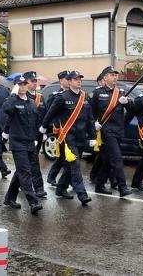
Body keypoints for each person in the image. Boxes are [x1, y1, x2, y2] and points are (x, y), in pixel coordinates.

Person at [41, 70, 95, 206]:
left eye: (80, 79)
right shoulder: (62, 97)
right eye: (76, 79)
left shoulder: (85, 97)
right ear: (69, 81)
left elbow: (90, 118)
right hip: (68, 138)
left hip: (81, 137)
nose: (79, 81)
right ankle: (82, 194)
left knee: (70, 166)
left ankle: (60, 188)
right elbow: (50, 113)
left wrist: (93, 135)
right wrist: (44, 127)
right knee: (76, 165)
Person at [2, 76, 43, 214]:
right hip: (17, 142)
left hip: (30, 142)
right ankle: (33, 202)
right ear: (15, 86)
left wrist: (36, 137)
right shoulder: (12, 101)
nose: (23, 86)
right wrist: (13, 94)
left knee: (23, 171)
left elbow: (36, 121)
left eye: (25, 83)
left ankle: (9, 198)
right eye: (20, 84)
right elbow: (6, 110)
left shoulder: (31, 102)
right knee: (25, 172)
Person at [90, 66, 131, 197]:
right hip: (106, 132)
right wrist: (93, 124)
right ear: (105, 77)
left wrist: (127, 102)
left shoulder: (121, 93)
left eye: (116, 75)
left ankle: (99, 185)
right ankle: (122, 187)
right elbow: (89, 112)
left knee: (107, 159)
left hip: (118, 130)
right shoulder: (97, 93)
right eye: (112, 75)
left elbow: (132, 109)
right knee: (117, 158)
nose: (115, 77)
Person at [22, 71, 47, 198]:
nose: (35, 83)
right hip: (25, 136)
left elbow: (45, 115)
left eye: (36, 81)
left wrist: (44, 132)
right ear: (25, 82)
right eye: (33, 81)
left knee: (33, 161)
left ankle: (37, 187)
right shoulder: (21, 96)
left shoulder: (40, 97)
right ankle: (32, 186)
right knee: (29, 163)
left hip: (37, 134)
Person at [44, 70, 71, 185]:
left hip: (72, 129)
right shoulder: (55, 95)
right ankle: (67, 182)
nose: (69, 81)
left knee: (64, 156)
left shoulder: (74, 94)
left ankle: (52, 176)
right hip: (60, 129)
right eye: (66, 79)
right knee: (65, 156)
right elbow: (50, 113)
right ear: (61, 80)